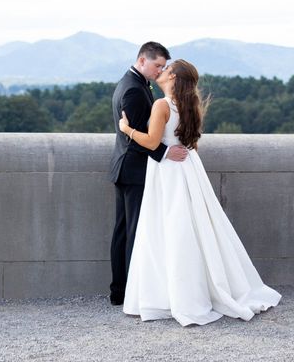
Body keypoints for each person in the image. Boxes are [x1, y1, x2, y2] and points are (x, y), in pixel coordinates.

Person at [118, 59, 281, 326]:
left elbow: (150, 141)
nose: (161, 71)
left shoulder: (161, 105)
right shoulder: (190, 105)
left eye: (165, 69)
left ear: (172, 78)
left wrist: (127, 129)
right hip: (189, 168)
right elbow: (192, 143)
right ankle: (194, 291)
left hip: (169, 171)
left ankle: (172, 295)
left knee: (168, 228)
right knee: (192, 228)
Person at [108, 42, 188, 306]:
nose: (159, 71)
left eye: (163, 67)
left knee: (124, 231)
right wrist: (165, 153)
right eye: (157, 66)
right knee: (134, 232)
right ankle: (131, 292)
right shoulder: (133, 90)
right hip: (134, 170)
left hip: (126, 169)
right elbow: (137, 138)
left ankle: (120, 291)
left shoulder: (133, 82)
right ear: (142, 60)